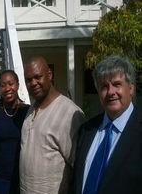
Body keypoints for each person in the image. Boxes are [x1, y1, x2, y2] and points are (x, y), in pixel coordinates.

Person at [70, 55, 142, 194]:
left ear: (131, 88)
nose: (110, 92)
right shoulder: (87, 130)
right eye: (104, 86)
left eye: (117, 84)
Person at [20, 56, 85, 194]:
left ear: (49, 75)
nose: (33, 83)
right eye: (28, 80)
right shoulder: (31, 110)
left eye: (38, 77)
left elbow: (79, 167)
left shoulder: (70, 113)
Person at [0, 70, 30, 194]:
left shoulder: (28, 112)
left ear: (18, 85)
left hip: (23, 178)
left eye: (11, 84)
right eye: (3, 85)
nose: (7, 88)